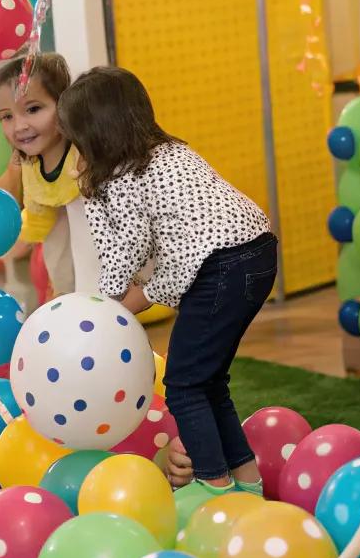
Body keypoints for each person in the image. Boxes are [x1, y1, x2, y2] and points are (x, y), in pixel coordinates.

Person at [57, 66, 277, 499]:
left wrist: (105, 304)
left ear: (94, 138)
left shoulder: (122, 174)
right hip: (258, 252)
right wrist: (92, 193)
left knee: (184, 385)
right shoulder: (168, 152)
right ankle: (247, 483)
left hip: (222, 265)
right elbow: (125, 241)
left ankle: (213, 488)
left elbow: (127, 247)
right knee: (209, 380)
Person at [0, 52, 97, 299]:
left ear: (63, 104)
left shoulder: (84, 153)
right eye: (7, 116)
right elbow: (38, 209)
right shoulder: (31, 165)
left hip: (104, 254)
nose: (20, 126)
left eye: (33, 109)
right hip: (67, 271)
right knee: (59, 266)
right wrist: (26, 238)